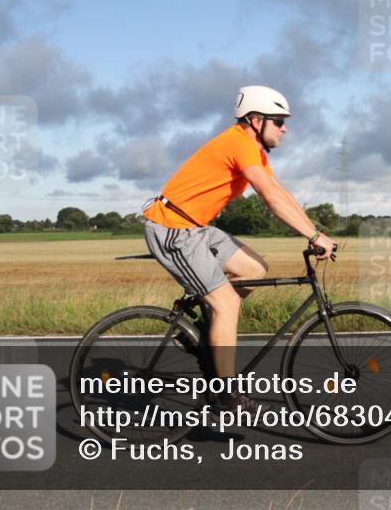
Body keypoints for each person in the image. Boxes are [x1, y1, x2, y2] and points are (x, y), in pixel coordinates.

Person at [142, 85, 336, 411]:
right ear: (256, 120)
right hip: (172, 229)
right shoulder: (239, 143)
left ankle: (205, 332)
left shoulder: (254, 151)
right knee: (228, 302)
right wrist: (314, 237)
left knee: (255, 269)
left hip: (195, 228)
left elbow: (279, 192)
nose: (285, 128)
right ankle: (224, 395)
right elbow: (270, 199)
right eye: (279, 121)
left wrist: (316, 233)